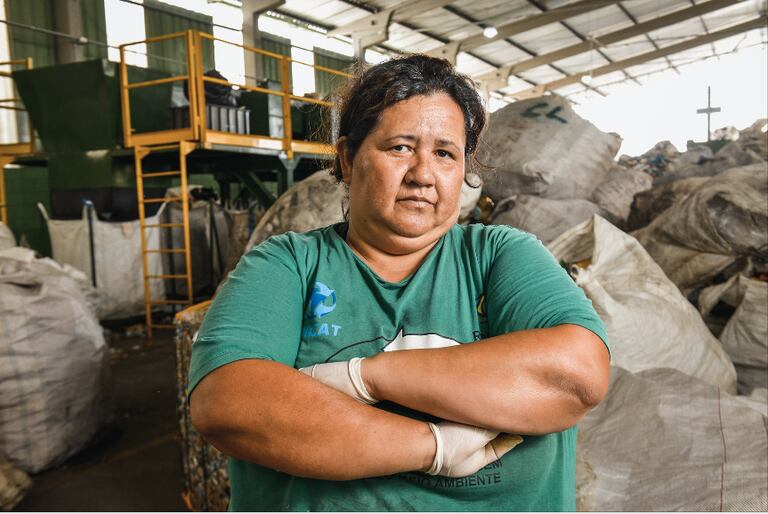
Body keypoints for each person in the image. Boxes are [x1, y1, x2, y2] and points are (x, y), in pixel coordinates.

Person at [188, 54, 611, 511]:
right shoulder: (287, 265)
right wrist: (435, 448)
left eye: (445, 154)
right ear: (348, 159)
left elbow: (575, 377)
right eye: (401, 148)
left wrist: (363, 378)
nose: (423, 175)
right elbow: (228, 403)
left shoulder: (500, 255)